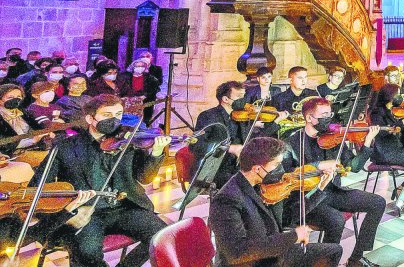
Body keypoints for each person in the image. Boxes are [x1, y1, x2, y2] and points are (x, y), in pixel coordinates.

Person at [33, 94, 169, 267]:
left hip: (125, 207)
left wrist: (156, 152)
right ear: (90, 118)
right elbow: (40, 185)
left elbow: (145, 177)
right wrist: (66, 212)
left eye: (119, 114)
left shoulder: (128, 140)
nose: (115, 120)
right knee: (86, 251)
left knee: (163, 236)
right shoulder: (66, 147)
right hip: (87, 212)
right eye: (107, 115)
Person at [281, 97, 385, 267]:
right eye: (324, 115)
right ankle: (326, 263)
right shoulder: (292, 142)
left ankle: (355, 259)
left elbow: (355, 166)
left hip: (333, 191)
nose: (329, 118)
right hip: (308, 198)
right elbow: (287, 174)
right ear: (309, 118)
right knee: (336, 220)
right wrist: (318, 166)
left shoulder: (334, 138)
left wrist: (367, 143)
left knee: (378, 202)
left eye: (330, 113)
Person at [208, 136, 343, 267]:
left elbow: (287, 218)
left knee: (334, 251)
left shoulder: (266, 186)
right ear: (257, 168)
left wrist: (319, 189)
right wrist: (293, 236)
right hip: (254, 262)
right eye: (277, 165)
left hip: (273, 253)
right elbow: (237, 252)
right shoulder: (226, 200)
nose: (282, 170)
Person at [192, 80, 253, 188]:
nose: (244, 101)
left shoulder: (243, 116)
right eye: (239, 97)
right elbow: (196, 146)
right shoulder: (208, 116)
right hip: (216, 167)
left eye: (244, 97)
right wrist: (228, 148)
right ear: (225, 99)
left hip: (238, 166)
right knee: (244, 185)